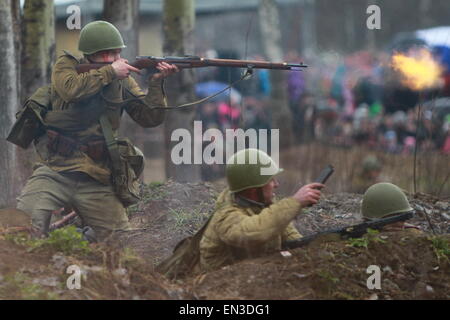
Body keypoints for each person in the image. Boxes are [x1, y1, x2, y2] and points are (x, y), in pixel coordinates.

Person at [15, 21, 179, 241]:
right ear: (90, 54)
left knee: (122, 244)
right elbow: (71, 91)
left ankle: (84, 241)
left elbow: (149, 118)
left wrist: (157, 83)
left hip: (97, 175)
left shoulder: (123, 81)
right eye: (106, 54)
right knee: (22, 226)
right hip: (56, 169)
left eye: (117, 53)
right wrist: (109, 72)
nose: (113, 58)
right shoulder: (67, 66)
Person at [198, 148, 324, 272]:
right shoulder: (225, 215)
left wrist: (312, 245)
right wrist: (295, 202)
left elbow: (288, 234)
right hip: (220, 285)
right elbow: (253, 232)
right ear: (253, 190)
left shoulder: (261, 202)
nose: (276, 185)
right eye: (270, 180)